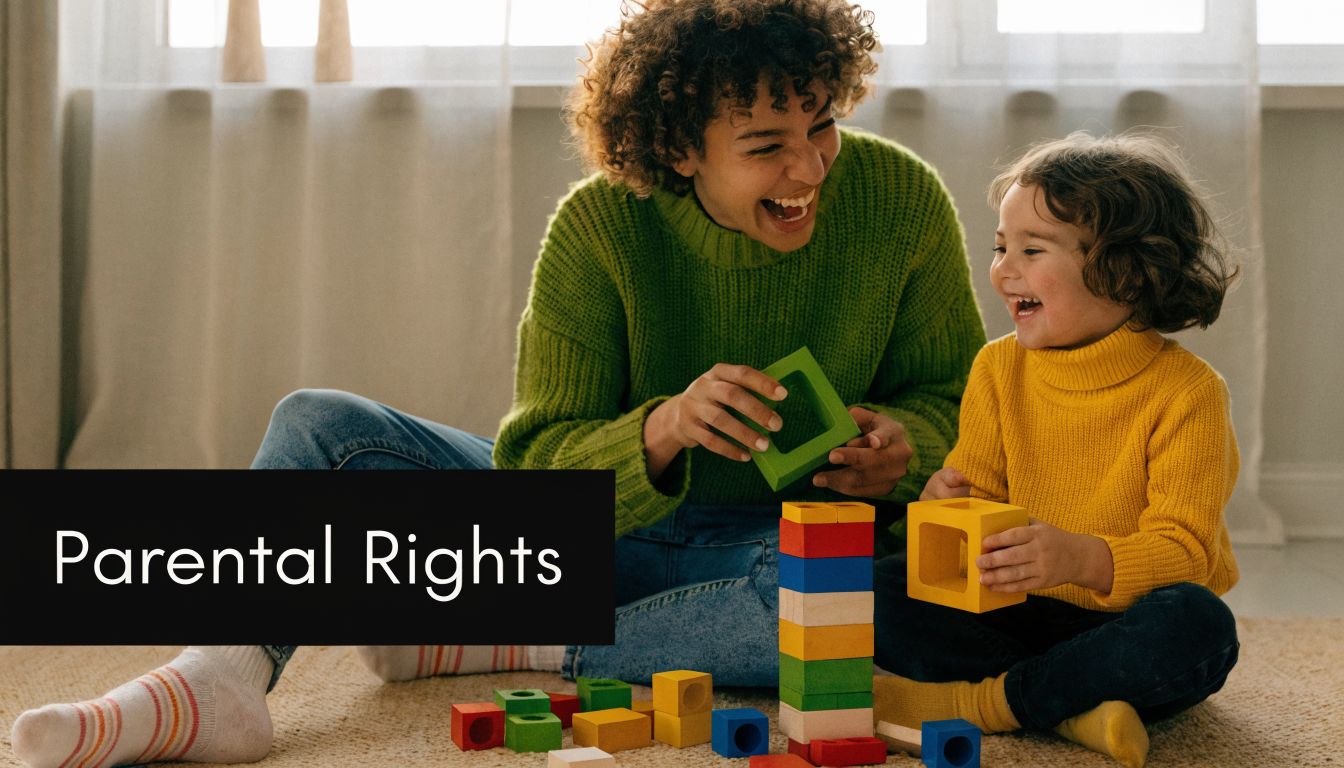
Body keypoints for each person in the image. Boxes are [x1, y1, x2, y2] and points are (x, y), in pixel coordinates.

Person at [11, 1, 987, 765]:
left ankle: (499, 629)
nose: (810, 165)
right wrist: (662, 431)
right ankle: (219, 674)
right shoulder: (601, 226)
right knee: (320, 427)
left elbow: (963, 408)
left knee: (855, 613)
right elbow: (535, 465)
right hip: (604, 533)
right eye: (767, 146)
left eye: (823, 126)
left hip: (777, 555)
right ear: (681, 149)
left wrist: (908, 448)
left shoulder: (899, 199)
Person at [870, 132, 1241, 768]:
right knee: (878, 585)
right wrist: (943, 507)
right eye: (999, 247)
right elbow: (976, 502)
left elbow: (1185, 554)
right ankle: (1074, 708)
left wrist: (1077, 558)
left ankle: (990, 703)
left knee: (1198, 624)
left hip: (1119, 618)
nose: (1003, 269)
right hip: (1014, 610)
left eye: (1031, 250)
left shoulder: (1190, 393)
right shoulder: (996, 368)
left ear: (1123, 271)